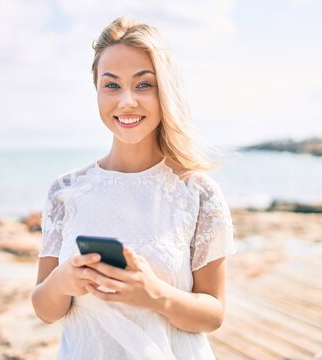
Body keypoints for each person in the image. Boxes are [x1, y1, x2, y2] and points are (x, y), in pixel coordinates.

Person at [31, 17, 235, 360]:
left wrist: (154, 294)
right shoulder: (65, 192)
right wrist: (64, 281)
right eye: (111, 85)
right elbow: (44, 309)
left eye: (144, 85)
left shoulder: (197, 192)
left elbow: (214, 314)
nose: (126, 101)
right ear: (96, 90)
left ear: (165, 91)